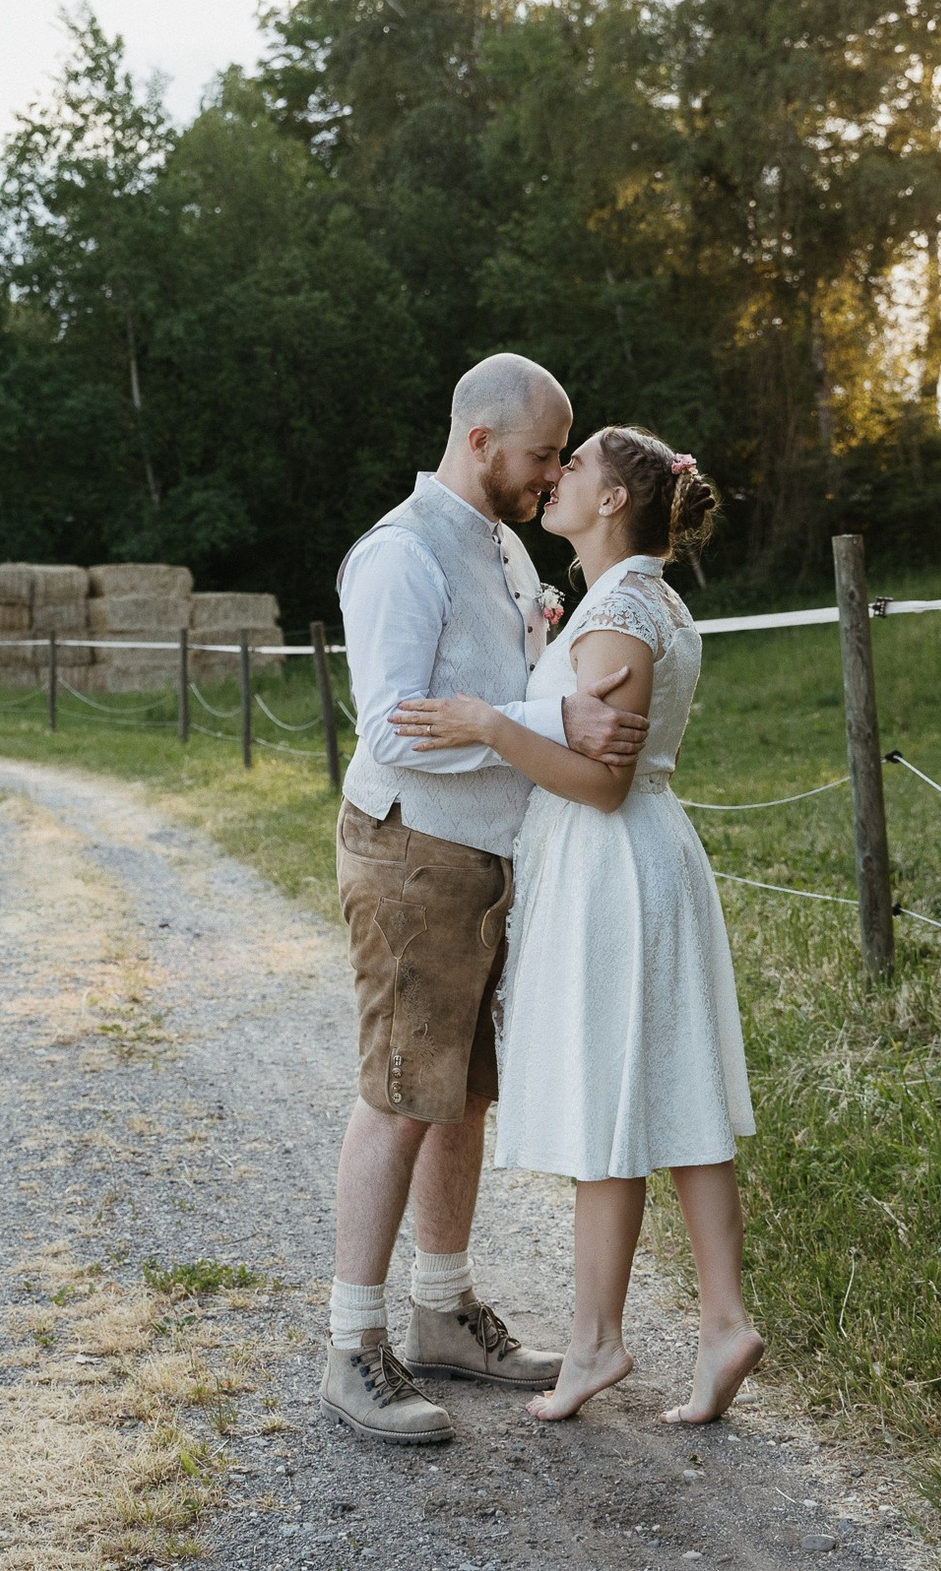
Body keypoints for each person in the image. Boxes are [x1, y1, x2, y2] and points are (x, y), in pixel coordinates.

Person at [390, 424, 764, 1426]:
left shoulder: (621, 613)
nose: (555, 476)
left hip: (612, 862)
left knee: (617, 1096)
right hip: (642, 855)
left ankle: (604, 1341)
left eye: (576, 467)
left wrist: (487, 724)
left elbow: (597, 784)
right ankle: (717, 1320)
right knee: (670, 1089)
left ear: (609, 502)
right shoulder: (632, 601)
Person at [322, 354, 655, 1445]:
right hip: (411, 852)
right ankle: (350, 1344)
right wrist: (550, 724)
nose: (550, 472)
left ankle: (441, 1310)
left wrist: (541, 650)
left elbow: (493, 690)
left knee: (461, 1094)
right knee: (399, 1094)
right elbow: (390, 726)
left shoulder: (503, 545)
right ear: (480, 442)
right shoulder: (400, 554)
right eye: (542, 455)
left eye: (561, 457)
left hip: (484, 857)